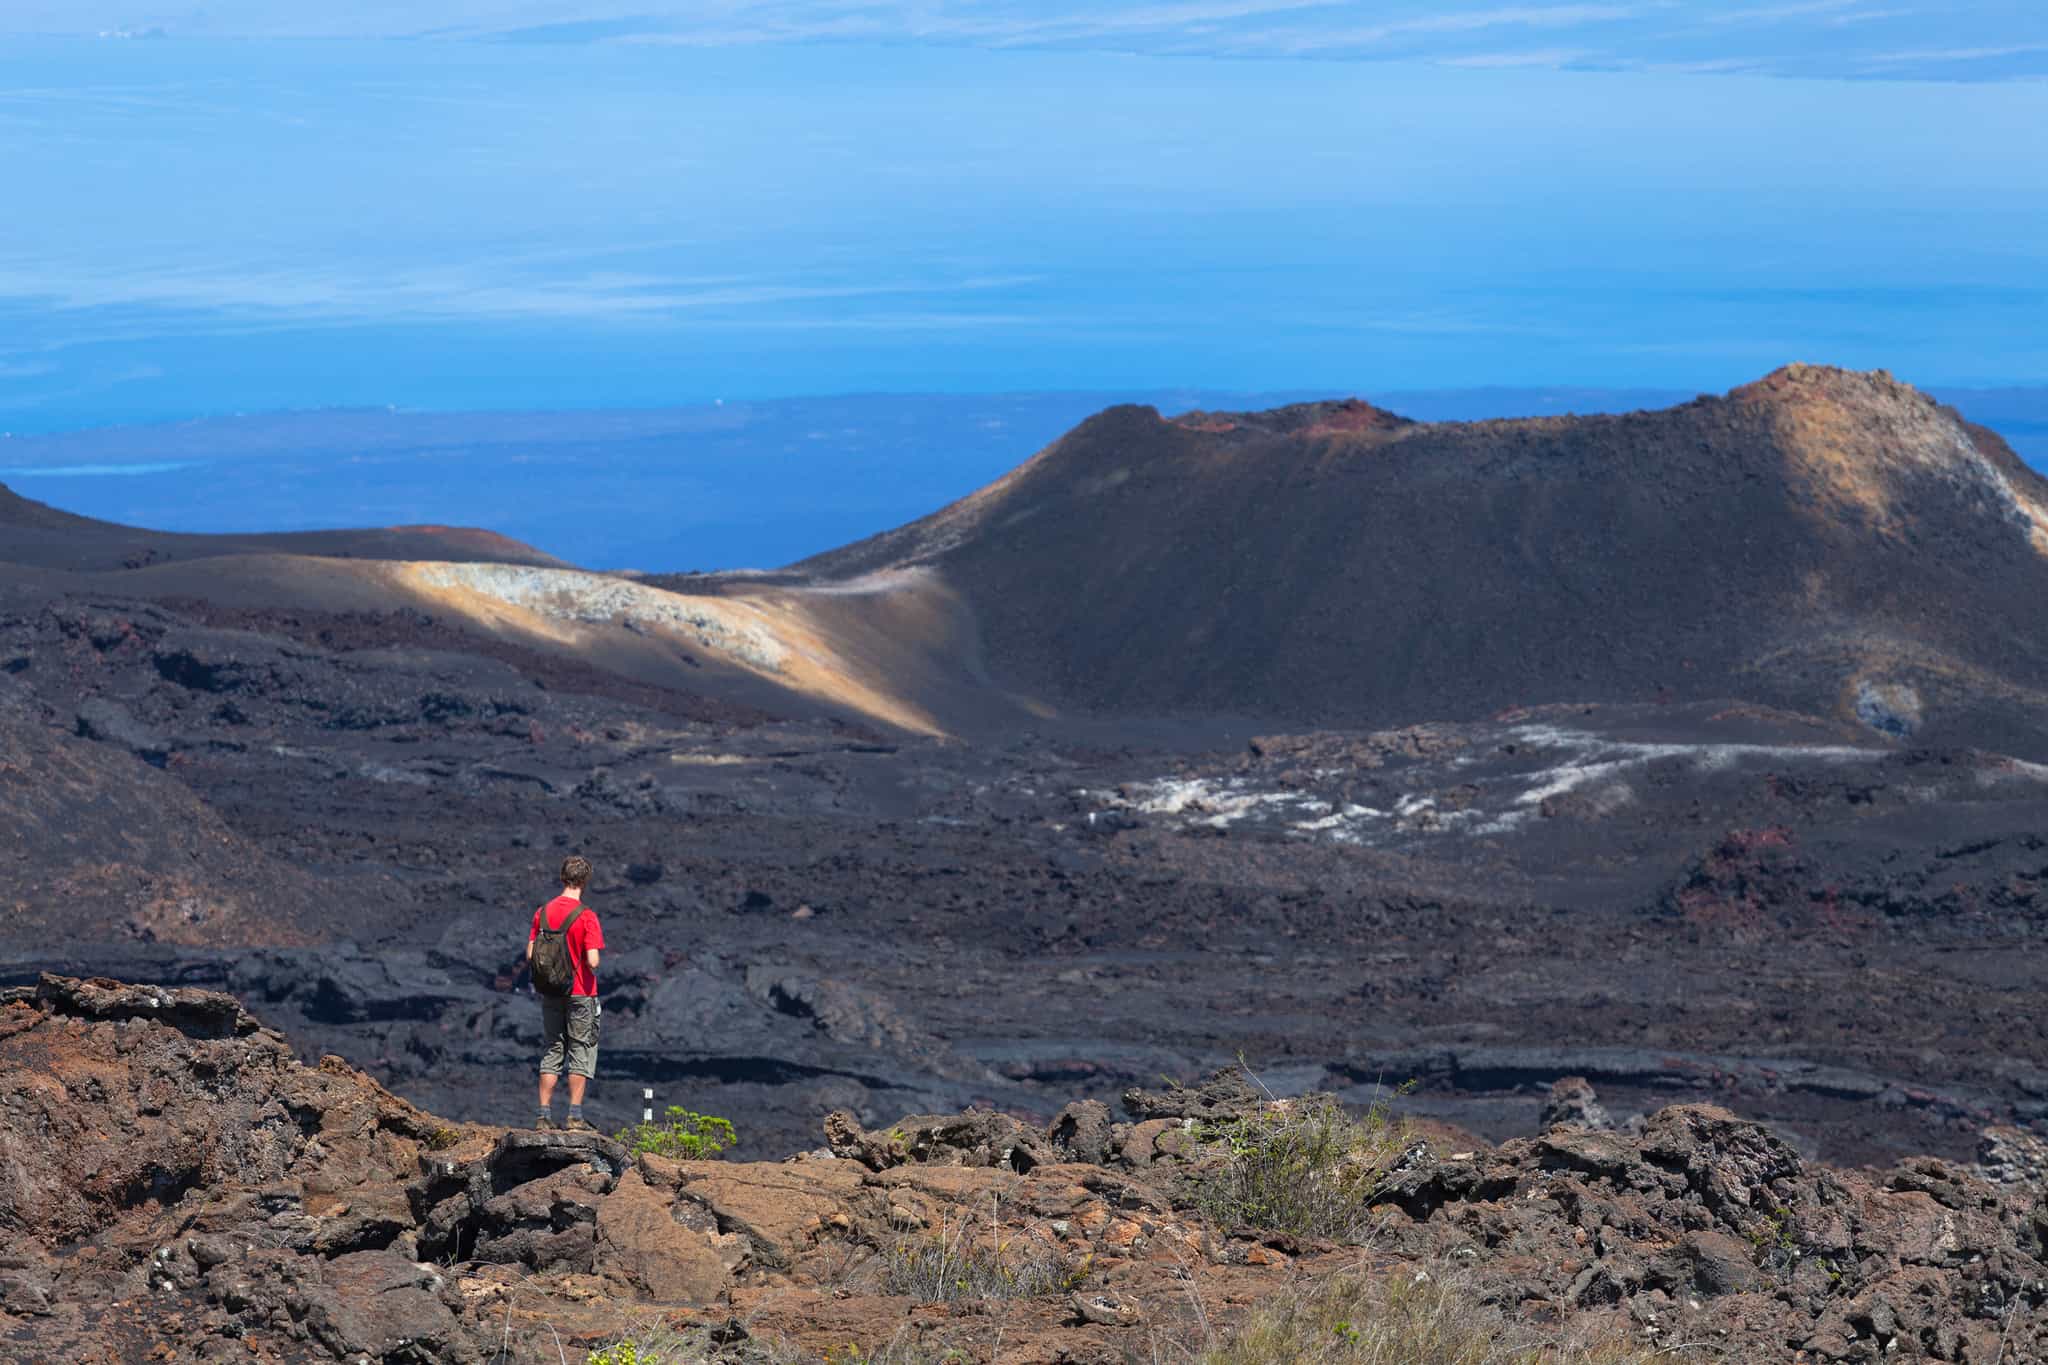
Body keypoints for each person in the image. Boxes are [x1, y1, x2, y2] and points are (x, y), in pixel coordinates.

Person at [528, 855, 604, 1130]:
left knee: (553, 1048)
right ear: (584, 881)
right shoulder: (586, 916)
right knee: (580, 1049)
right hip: (581, 992)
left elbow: (531, 953)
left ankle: (543, 1114)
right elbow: (593, 961)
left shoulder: (543, 912)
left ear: (562, 878)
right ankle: (574, 1115)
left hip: (551, 991)